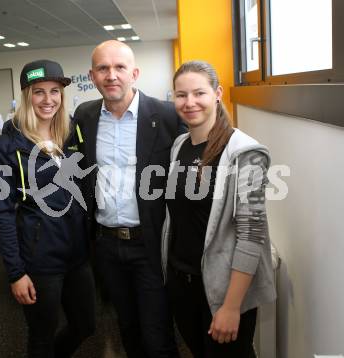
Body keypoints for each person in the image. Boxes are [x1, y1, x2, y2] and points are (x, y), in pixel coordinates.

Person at [73, 40, 184, 358]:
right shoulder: (85, 117)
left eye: (119, 67)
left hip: (149, 245)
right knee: (128, 331)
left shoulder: (164, 115)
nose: (111, 75)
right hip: (107, 246)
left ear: (134, 73)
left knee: (157, 337)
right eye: (103, 68)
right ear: (92, 75)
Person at [161, 60, 277, 357]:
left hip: (222, 292)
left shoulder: (244, 152)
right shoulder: (179, 145)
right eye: (181, 95)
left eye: (199, 93)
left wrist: (231, 307)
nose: (189, 103)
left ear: (217, 93)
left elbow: (251, 235)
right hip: (183, 284)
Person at [0, 59, 95, 358]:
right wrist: (15, 273)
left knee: (85, 325)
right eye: (39, 92)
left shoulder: (72, 132)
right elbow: (1, 213)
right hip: (39, 261)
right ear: (26, 96)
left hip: (77, 255)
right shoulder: (8, 146)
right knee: (41, 338)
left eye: (54, 91)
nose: (48, 100)